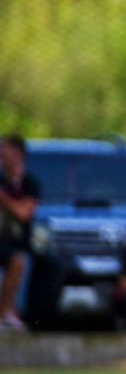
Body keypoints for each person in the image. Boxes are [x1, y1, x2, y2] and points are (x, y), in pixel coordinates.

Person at [0, 134, 40, 331]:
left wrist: (4, 200)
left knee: (19, 261)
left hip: (18, 244)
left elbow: (24, 214)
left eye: (5, 150)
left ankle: (9, 313)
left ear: (18, 154)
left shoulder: (29, 183)